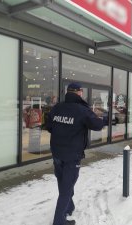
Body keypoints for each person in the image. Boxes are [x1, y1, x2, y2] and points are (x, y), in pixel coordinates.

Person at [47, 82, 104, 225]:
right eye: (81, 92)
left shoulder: (57, 107)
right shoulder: (82, 110)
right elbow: (97, 125)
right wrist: (103, 118)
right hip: (72, 156)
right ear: (79, 92)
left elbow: (49, 126)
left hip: (57, 153)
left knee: (63, 182)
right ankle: (59, 221)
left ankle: (68, 207)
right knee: (67, 186)